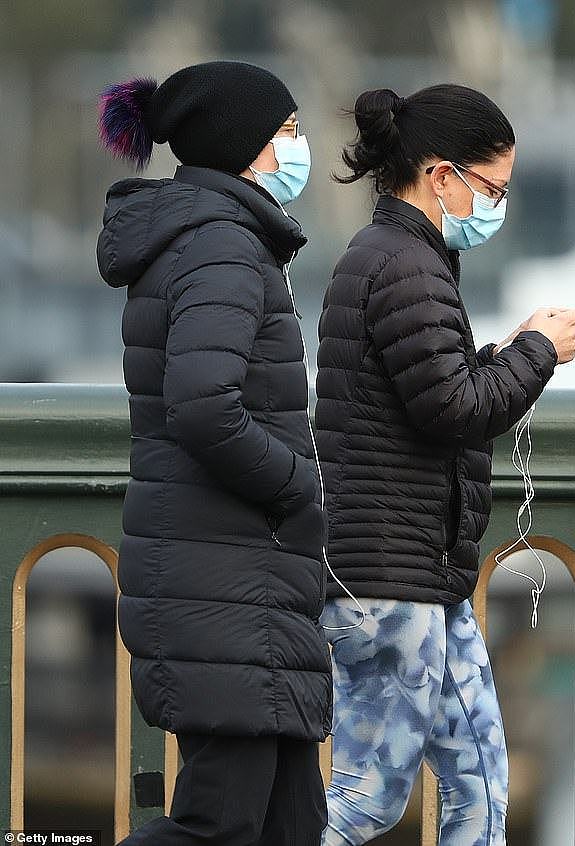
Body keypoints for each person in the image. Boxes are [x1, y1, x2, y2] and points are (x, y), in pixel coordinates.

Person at [314, 84, 575, 846]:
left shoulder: (402, 257)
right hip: (386, 579)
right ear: (441, 176)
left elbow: (433, 388)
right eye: (492, 189)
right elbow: (452, 410)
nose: (496, 205)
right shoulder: (404, 265)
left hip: (423, 576)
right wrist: (538, 353)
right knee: (365, 801)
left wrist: (516, 349)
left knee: (482, 784)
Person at [96, 60, 331, 845]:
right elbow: (204, 407)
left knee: (289, 826)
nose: (300, 145)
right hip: (226, 590)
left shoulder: (210, 237)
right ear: (248, 145)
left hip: (237, 587)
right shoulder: (223, 244)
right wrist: (299, 483)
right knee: (219, 827)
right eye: (290, 130)